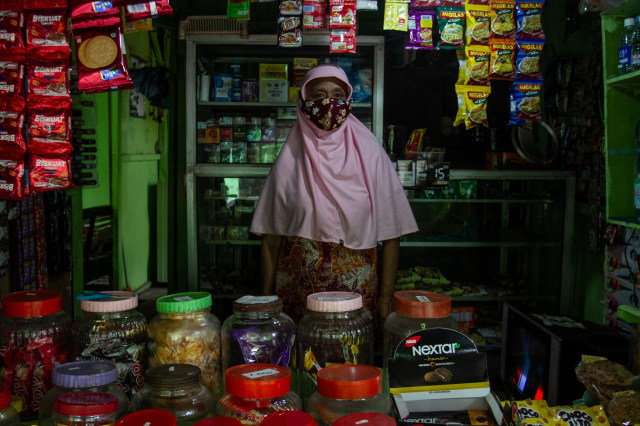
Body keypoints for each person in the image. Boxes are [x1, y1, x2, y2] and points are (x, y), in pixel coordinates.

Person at [249, 64, 418, 323]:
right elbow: (270, 237)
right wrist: (265, 301)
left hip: (357, 296)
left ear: (348, 101)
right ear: (304, 102)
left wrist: (385, 299)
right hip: (298, 297)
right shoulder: (289, 161)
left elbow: (392, 235)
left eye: (338, 95)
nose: (329, 103)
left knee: (353, 360)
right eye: (318, 96)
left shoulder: (371, 154)